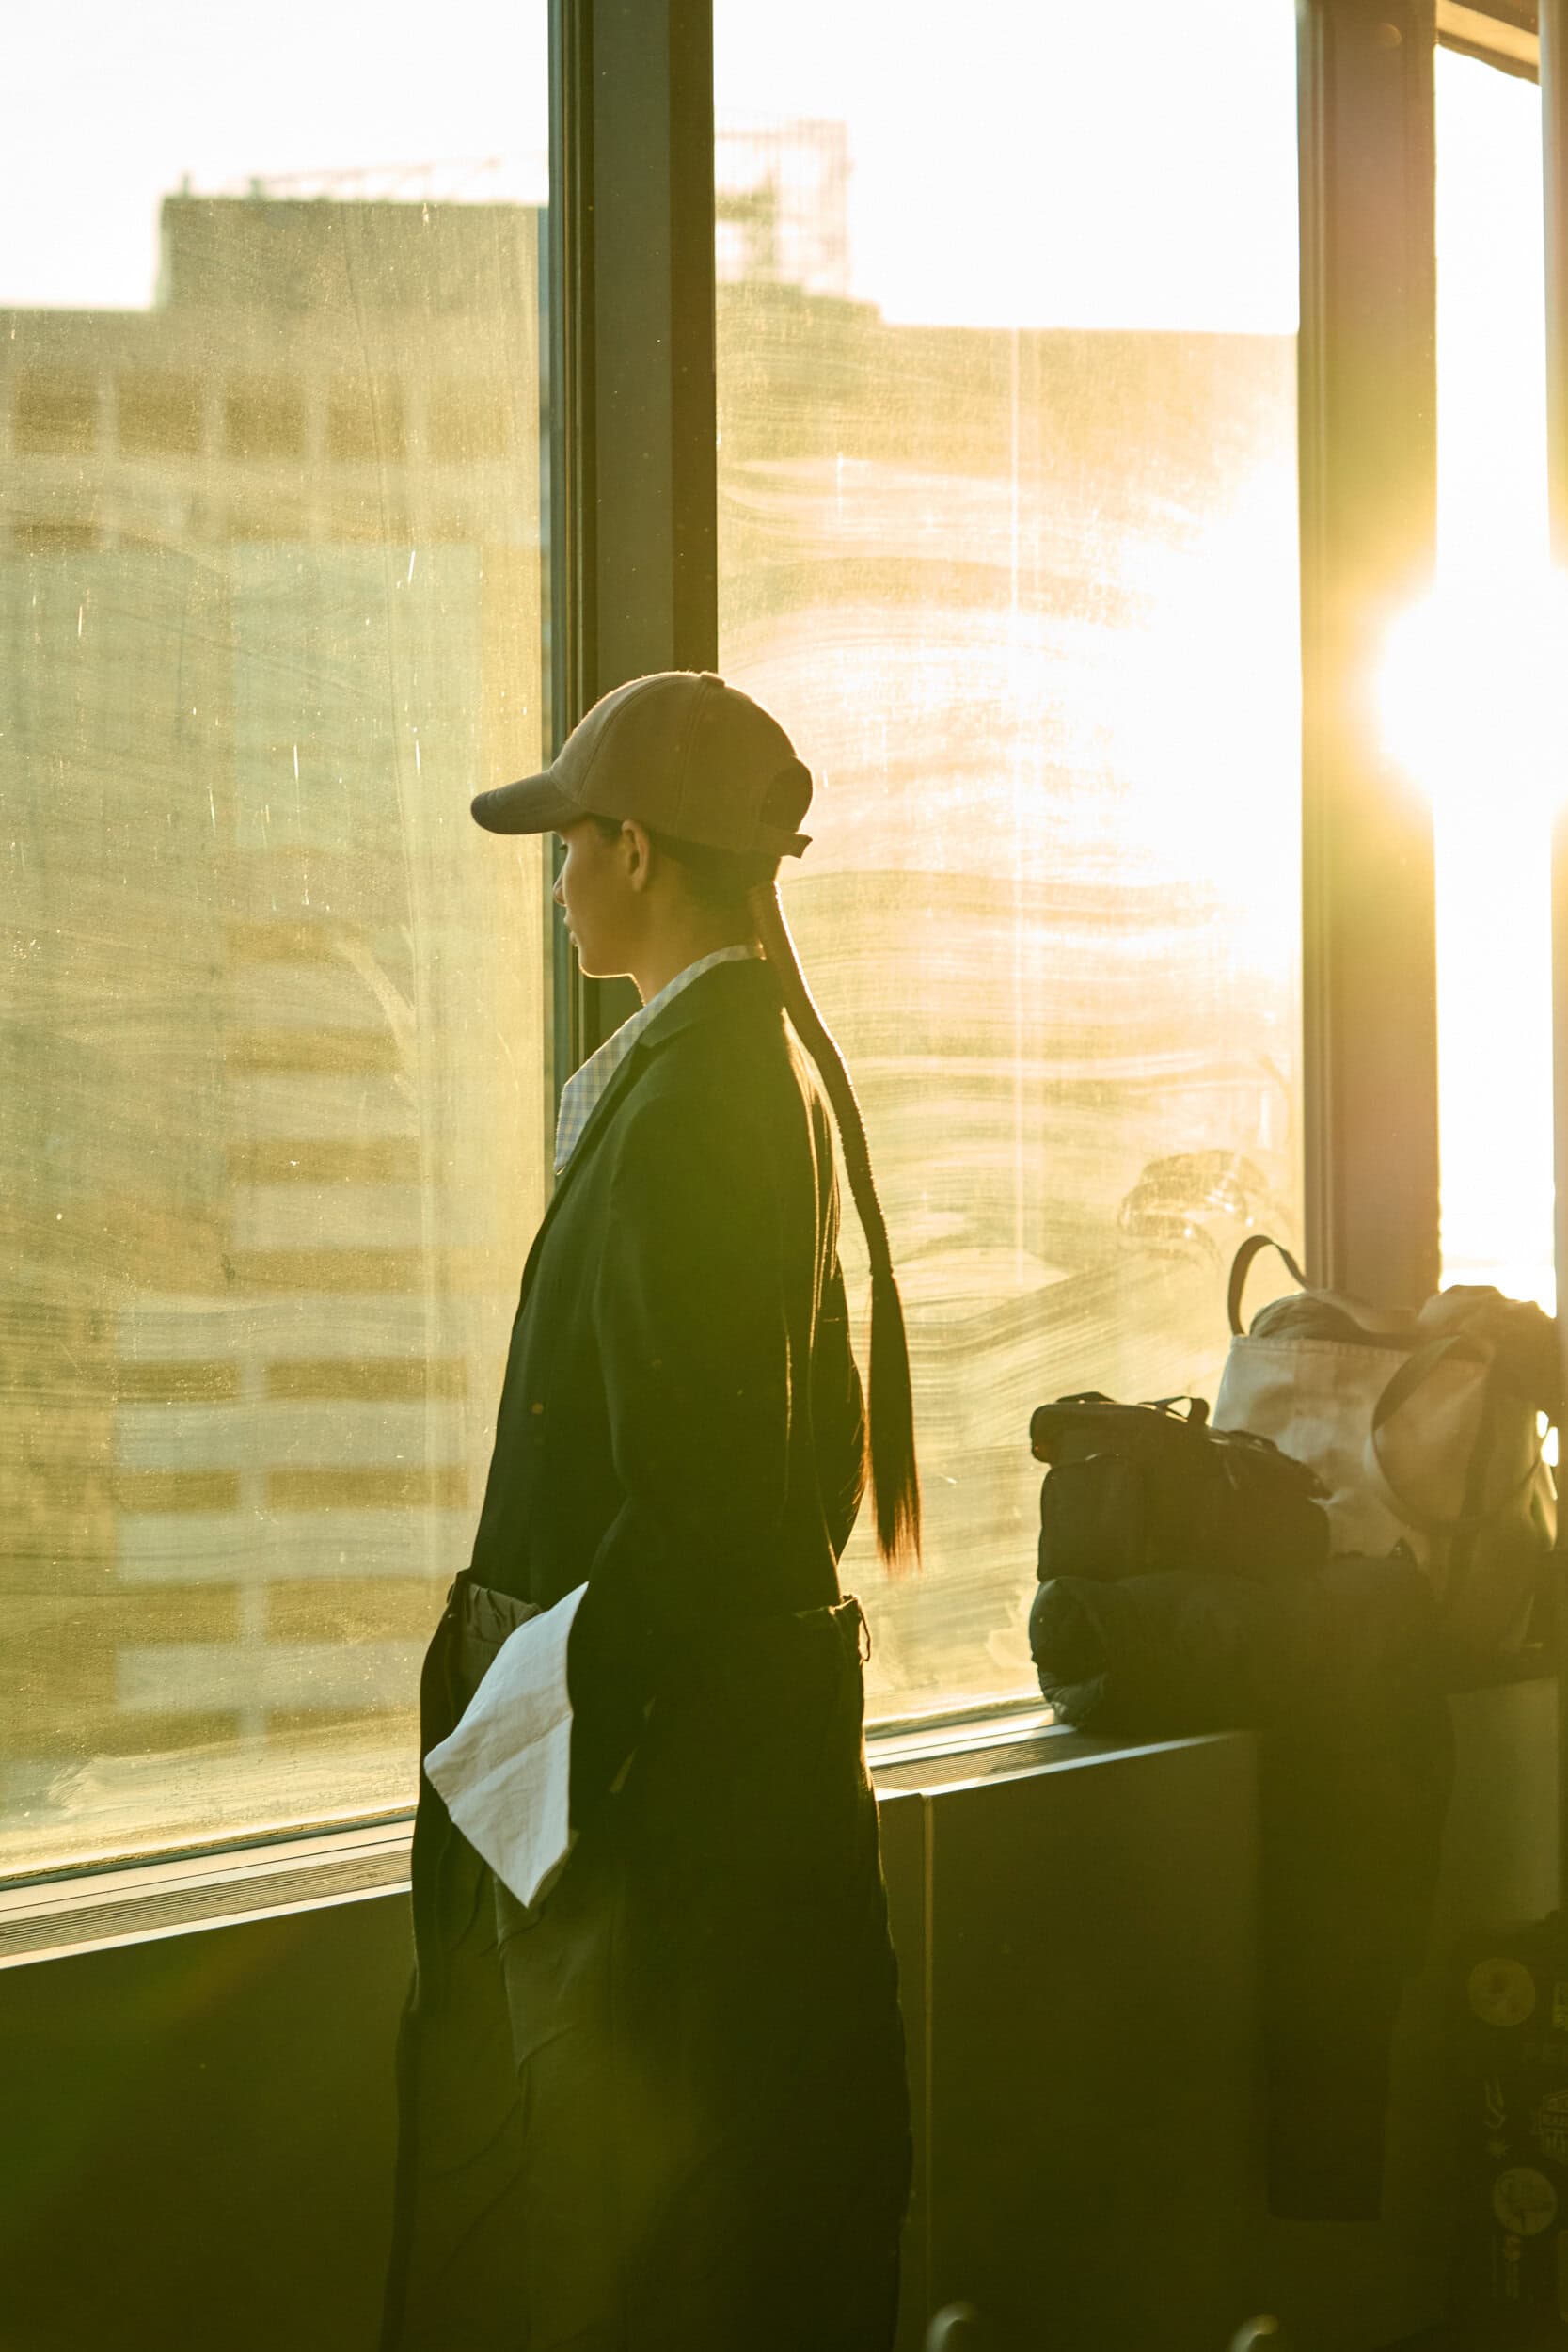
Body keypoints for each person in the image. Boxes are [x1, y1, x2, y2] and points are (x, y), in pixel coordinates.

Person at [380, 670, 920, 2352]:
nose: (553, 884)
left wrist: (538, 1737)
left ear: (632, 849)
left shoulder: (695, 1101)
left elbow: (692, 1510)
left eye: (566, 845)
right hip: (674, 1798)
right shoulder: (746, 1064)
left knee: (599, 2255)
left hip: (634, 1832)